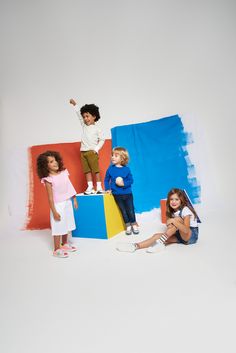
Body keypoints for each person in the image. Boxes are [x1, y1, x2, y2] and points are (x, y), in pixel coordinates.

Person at [116, 188, 199, 253]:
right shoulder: (172, 211)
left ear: (181, 201)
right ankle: (135, 246)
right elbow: (169, 226)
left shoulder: (185, 210)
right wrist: (170, 223)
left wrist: (174, 221)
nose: (173, 202)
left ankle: (159, 243)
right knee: (156, 236)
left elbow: (186, 230)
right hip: (180, 236)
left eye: (176, 199)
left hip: (190, 236)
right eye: (171, 199)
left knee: (176, 219)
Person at [37, 150, 78, 258]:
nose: (55, 163)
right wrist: (54, 211)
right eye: (51, 162)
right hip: (58, 205)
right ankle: (56, 249)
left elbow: (69, 186)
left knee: (67, 224)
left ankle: (64, 244)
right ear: (45, 166)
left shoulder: (64, 172)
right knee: (58, 226)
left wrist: (74, 199)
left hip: (67, 202)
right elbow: (50, 198)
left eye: (55, 160)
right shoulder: (48, 179)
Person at [69, 98, 105, 194]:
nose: (85, 118)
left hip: (92, 152)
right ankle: (90, 187)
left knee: (96, 170)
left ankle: (99, 187)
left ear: (94, 116)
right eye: (84, 117)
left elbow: (102, 140)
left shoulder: (97, 129)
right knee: (87, 171)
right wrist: (75, 105)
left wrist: (96, 149)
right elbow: (78, 116)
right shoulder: (84, 126)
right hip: (83, 152)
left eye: (87, 116)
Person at [104, 147, 139, 235]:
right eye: (112, 155)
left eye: (116, 156)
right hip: (117, 194)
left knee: (130, 210)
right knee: (123, 210)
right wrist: (108, 189)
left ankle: (134, 224)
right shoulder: (110, 169)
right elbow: (106, 180)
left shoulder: (126, 169)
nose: (113, 157)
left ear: (122, 158)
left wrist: (123, 184)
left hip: (128, 194)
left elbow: (131, 180)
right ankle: (128, 225)